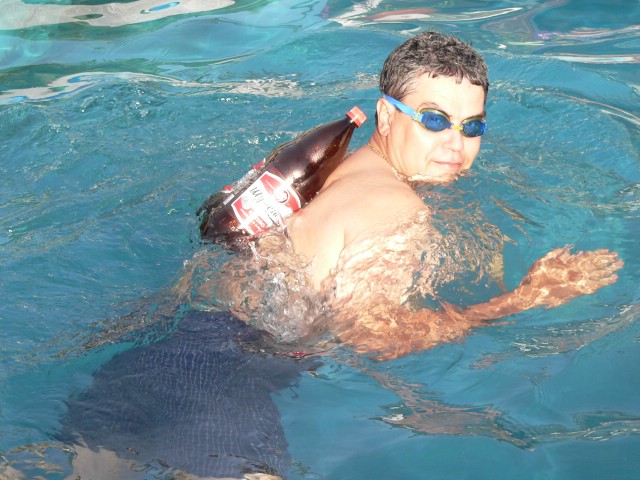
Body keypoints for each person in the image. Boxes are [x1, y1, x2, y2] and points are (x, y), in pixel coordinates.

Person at [277, 30, 623, 360]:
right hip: (269, 370)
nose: (456, 144)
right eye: (434, 121)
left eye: (471, 126)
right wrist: (527, 297)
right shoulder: (395, 207)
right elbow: (371, 337)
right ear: (386, 116)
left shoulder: (341, 167)